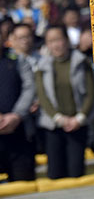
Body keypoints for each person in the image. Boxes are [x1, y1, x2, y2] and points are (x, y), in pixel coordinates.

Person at [34, 25, 94, 179]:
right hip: (53, 124)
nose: (55, 45)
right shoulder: (41, 66)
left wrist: (79, 118)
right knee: (55, 172)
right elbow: (43, 96)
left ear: (67, 40)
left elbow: (91, 93)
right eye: (51, 41)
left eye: (58, 39)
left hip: (78, 123)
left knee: (76, 171)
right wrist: (58, 118)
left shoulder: (82, 62)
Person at [0, 27, 36, 182]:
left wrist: (16, 115)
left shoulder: (16, 59)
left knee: (24, 181)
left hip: (19, 129)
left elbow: (30, 87)